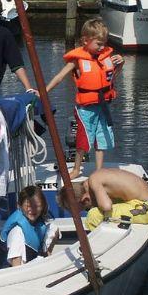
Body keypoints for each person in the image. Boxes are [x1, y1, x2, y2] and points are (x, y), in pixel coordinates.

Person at [44, 18, 124, 179]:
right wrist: (44, 91)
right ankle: (76, 169)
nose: (102, 48)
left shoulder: (106, 57)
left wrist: (120, 64)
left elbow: (111, 78)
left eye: (104, 44)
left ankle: (99, 170)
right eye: (98, 44)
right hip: (86, 108)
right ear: (85, 41)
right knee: (83, 138)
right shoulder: (77, 59)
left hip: (103, 105)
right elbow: (60, 77)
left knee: (102, 137)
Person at [56, 168, 148, 230]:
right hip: (144, 202)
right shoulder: (95, 177)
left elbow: (106, 206)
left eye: (84, 208)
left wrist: (93, 208)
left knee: (94, 215)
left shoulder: (94, 180)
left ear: (85, 199)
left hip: (147, 207)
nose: (85, 209)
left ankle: (95, 248)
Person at [0, 185, 60, 266]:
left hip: (35, 263)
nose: (32, 210)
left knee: (54, 229)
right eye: (28, 206)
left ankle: (47, 261)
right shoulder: (17, 231)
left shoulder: (41, 225)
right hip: (19, 270)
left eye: (37, 206)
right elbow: (15, 267)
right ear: (19, 206)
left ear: (43, 206)